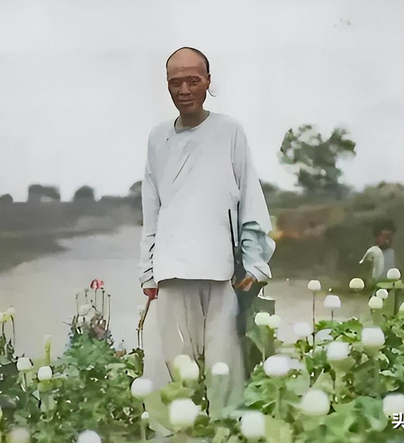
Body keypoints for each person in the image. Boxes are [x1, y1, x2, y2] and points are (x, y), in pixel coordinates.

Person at [138, 47, 274, 406]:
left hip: (221, 273)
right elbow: (151, 210)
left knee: (224, 372)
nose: (184, 90)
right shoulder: (157, 138)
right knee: (169, 376)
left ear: (208, 82)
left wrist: (256, 262)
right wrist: (148, 273)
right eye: (175, 83)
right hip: (170, 273)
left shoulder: (229, 131)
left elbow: (249, 198)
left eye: (193, 81)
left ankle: (226, 431)